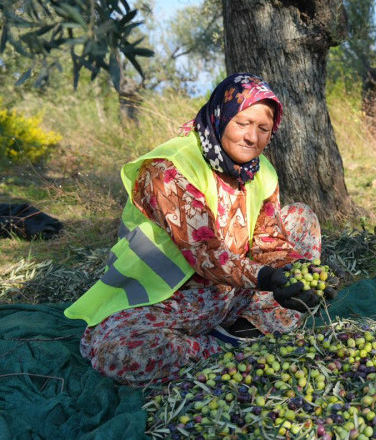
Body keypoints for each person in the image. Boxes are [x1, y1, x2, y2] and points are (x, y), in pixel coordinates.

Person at [64, 73, 337, 386]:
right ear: (221, 115)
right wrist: (269, 278)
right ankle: (226, 348)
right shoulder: (171, 169)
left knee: (301, 216)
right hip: (171, 298)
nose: (252, 137)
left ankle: (250, 328)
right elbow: (203, 252)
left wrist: (295, 270)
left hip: (233, 292)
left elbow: (269, 241)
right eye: (242, 123)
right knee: (118, 351)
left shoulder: (261, 172)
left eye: (263, 129)